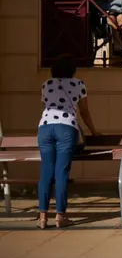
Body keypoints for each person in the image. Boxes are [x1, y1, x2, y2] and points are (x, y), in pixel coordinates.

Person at [37, 55, 98, 229]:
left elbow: (46, 107)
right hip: (66, 128)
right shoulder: (78, 84)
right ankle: (60, 216)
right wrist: (93, 131)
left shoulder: (46, 84)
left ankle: (42, 218)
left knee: (46, 172)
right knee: (61, 172)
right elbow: (84, 112)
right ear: (73, 70)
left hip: (45, 128)